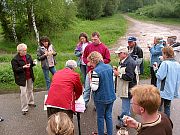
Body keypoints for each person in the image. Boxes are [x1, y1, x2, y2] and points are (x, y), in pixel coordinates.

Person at [87, 51, 116, 135]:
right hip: (111, 96)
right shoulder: (109, 67)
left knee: (100, 117)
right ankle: (110, 133)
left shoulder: (96, 71)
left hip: (101, 98)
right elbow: (112, 80)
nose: (90, 64)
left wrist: (90, 78)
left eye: (90, 62)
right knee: (108, 116)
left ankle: (101, 133)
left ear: (93, 60)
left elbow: (94, 88)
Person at [83, 32, 111, 107]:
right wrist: (87, 62)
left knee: (97, 89)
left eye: (95, 39)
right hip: (89, 71)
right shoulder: (88, 47)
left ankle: (96, 105)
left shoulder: (104, 48)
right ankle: (84, 105)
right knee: (87, 89)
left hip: (99, 72)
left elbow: (108, 59)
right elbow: (84, 57)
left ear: (99, 38)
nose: (93, 41)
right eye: (92, 40)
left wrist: (99, 62)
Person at [114, 46, 137, 129]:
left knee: (125, 106)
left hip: (127, 88)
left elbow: (129, 77)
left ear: (124, 53)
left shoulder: (130, 63)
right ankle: (125, 116)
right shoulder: (125, 60)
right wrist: (118, 70)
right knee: (125, 105)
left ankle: (124, 122)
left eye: (119, 53)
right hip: (125, 87)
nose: (118, 55)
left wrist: (118, 74)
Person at [11, 43, 36, 115]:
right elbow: (15, 69)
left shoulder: (28, 56)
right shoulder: (15, 59)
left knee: (30, 90)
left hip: (29, 76)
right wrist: (23, 67)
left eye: (26, 50)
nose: (25, 51)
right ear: (19, 51)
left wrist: (33, 63)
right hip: (21, 78)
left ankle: (31, 102)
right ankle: (24, 108)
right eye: (24, 50)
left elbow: (30, 64)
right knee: (23, 93)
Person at [155, 46, 180, 117]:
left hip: (163, 89)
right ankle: (167, 123)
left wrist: (156, 69)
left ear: (165, 54)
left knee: (159, 107)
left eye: (163, 53)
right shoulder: (177, 64)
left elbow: (159, 76)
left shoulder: (165, 63)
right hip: (171, 89)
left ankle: (159, 122)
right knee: (167, 107)